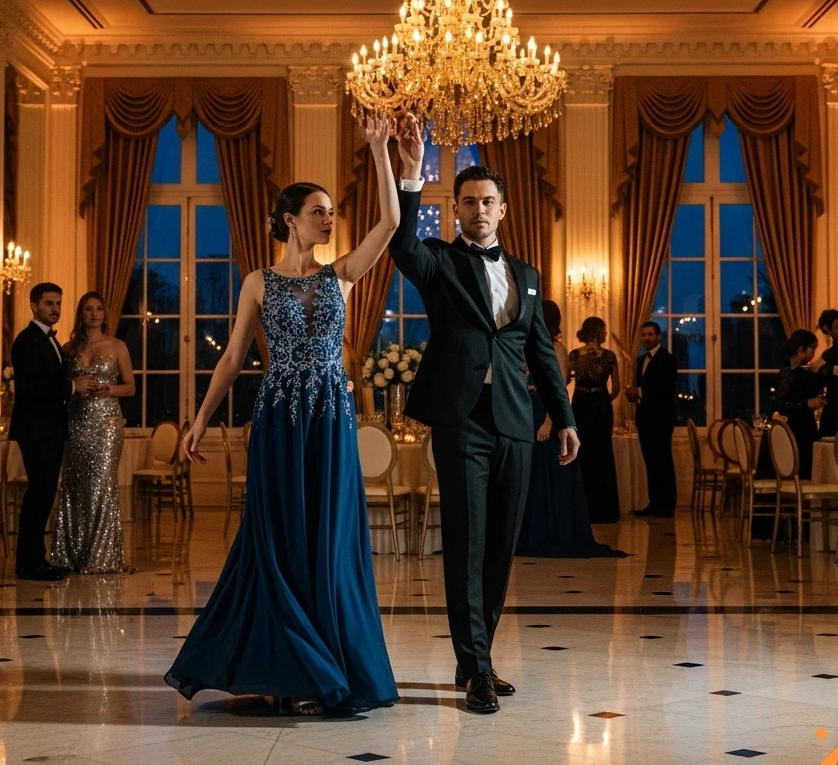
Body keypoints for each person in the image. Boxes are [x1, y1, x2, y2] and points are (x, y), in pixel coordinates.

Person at [166, 113, 404, 717]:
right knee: (275, 544)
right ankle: (285, 666)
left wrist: (381, 152)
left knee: (325, 544)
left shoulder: (343, 275)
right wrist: (197, 421)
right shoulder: (256, 283)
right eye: (319, 211)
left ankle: (323, 666)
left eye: (330, 211)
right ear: (290, 219)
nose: (329, 219)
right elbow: (230, 365)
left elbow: (392, 222)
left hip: (327, 423)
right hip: (277, 421)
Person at [389, 149, 579, 715]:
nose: (478, 210)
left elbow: (540, 353)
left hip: (516, 424)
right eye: (468, 202)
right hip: (461, 420)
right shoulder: (439, 262)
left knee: (499, 548)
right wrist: (410, 175)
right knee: (467, 545)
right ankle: (474, 669)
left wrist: (564, 417)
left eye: (487, 202)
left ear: (503, 211)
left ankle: (480, 657)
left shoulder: (526, 275)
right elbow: (401, 244)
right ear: (455, 210)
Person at [517, 302, 624, 558]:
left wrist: (549, 422)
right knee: (531, 474)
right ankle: (529, 532)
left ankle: (551, 531)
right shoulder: (529, 345)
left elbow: (559, 388)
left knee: (549, 472)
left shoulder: (558, 348)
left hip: (546, 413)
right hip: (528, 409)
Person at [10, 282, 101, 581]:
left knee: (44, 493)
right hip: (36, 429)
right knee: (39, 493)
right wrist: (74, 386)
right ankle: (29, 563)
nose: (55, 309)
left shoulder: (47, 340)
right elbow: (32, 388)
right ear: (34, 306)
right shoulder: (27, 341)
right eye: (49, 303)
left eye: (59, 303)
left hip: (48, 428)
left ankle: (35, 559)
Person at [51, 291, 136, 574]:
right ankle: (71, 554)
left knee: (101, 484)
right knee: (75, 485)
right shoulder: (68, 349)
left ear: (104, 314)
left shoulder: (117, 346)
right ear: (81, 313)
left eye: (99, 308)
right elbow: (60, 388)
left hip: (107, 423)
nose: (94, 314)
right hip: (75, 423)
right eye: (88, 309)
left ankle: (101, 557)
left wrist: (107, 389)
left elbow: (131, 387)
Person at [568, 316, 623, 525]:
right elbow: (616, 388)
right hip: (601, 405)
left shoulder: (574, 354)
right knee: (603, 454)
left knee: (582, 453)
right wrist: (602, 398)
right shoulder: (609, 356)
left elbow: (565, 379)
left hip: (581, 403)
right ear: (600, 331)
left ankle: (583, 509)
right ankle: (606, 511)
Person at [755, 329, 827, 482]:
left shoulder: (805, 372)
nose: (814, 352)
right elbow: (779, 403)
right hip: (791, 429)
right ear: (800, 349)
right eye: (812, 348)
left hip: (802, 426)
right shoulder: (787, 372)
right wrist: (806, 404)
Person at [625, 321, 677, 518]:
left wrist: (639, 391)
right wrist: (634, 395)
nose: (646, 338)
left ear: (658, 336)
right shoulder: (640, 360)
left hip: (662, 419)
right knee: (651, 462)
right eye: (644, 335)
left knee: (663, 460)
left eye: (650, 335)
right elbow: (645, 391)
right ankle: (654, 502)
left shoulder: (668, 359)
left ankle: (668, 505)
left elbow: (666, 389)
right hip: (645, 418)